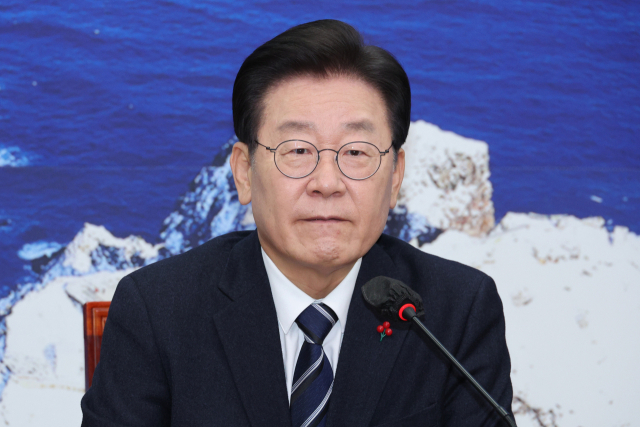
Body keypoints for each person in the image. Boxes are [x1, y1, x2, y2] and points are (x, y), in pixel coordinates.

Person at [81, 19, 514, 426]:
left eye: (356, 152)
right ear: (244, 172)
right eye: (298, 150)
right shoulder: (157, 312)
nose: (327, 183)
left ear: (395, 177)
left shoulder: (456, 312)